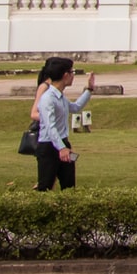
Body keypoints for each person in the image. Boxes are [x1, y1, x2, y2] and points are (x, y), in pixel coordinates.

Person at [34, 56, 94, 192]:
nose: (73, 76)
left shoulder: (60, 96)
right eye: (72, 73)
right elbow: (50, 127)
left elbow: (75, 107)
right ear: (65, 75)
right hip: (49, 147)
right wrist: (61, 148)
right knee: (45, 187)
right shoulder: (48, 98)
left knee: (69, 187)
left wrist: (89, 90)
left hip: (63, 144)